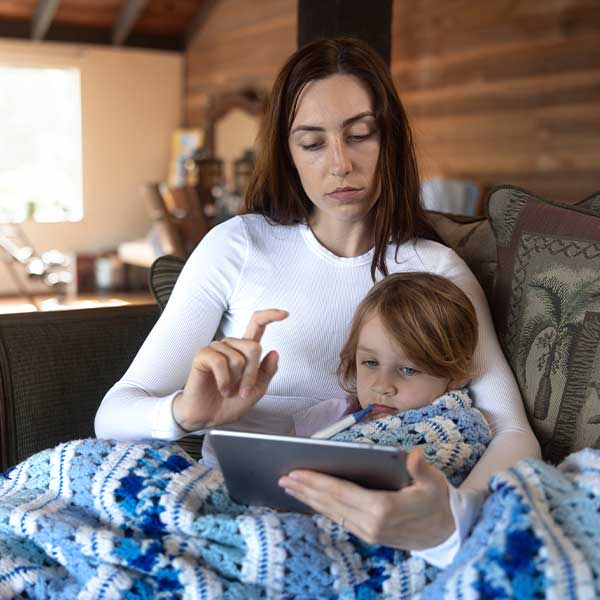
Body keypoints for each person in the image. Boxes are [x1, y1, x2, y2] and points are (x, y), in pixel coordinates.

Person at [95, 37, 540, 566]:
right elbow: (113, 414)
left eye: (360, 136)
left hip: (367, 523)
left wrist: (449, 517)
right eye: (312, 143)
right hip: (227, 510)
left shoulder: (435, 269)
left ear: (389, 140)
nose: (340, 165)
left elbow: (511, 430)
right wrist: (184, 412)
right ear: (287, 152)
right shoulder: (238, 245)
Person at [291, 271, 478, 438]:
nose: (382, 386)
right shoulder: (328, 417)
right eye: (371, 363)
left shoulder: (454, 432)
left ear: (456, 376)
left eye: (408, 369)